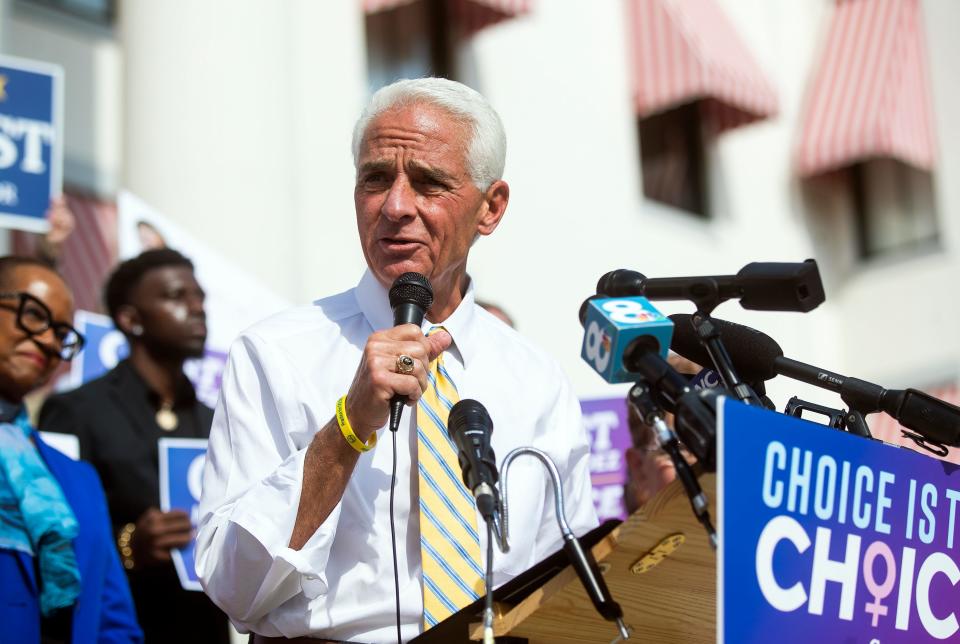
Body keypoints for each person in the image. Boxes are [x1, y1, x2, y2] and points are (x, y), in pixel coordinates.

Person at [196, 78, 597, 642]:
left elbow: (568, 586)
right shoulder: (275, 353)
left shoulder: (536, 379)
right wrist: (347, 427)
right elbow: (232, 586)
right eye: (376, 179)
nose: (395, 206)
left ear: (491, 208)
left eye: (430, 184)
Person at [38, 249, 229, 644]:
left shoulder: (219, 420)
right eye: (177, 297)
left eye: (199, 297)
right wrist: (129, 544)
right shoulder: (76, 411)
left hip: (203, 628)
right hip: (120, 626)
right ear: (130, 319)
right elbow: (53, 531)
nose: (197, 309)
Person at [0, 256, 142, 643]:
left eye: (62, 333)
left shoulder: (78, 480)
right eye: (32, 315)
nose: (48, 340)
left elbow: (114, 624)